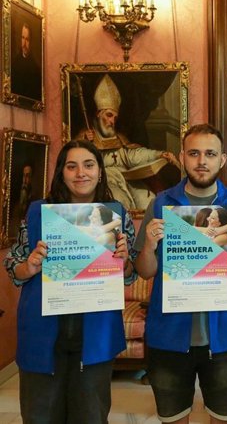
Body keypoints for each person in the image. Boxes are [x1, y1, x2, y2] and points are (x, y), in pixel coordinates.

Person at [133, 123, 227, 424]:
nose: (201, 161)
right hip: (169, 335)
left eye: (210, 153)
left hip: (225, 338)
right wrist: (148, 246)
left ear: (223, 160)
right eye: (194, 153)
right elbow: (144, 272)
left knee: (224, 418)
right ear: (182, 157)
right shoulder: (161, 203)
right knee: (173, 419)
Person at [3, 140, 136, 423]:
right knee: (40, 414)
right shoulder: (38, 212)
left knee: (90, 414)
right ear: (61, 172)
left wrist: (123, 262)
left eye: (88, 165)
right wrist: (31, 265)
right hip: (42, 330)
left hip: (96, 331)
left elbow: (131, 272)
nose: (80, 173)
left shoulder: (116, 214)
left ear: (100, 171)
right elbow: (13, 266)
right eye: (71, 166)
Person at [75, 74, 180, 210]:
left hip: (127, 180)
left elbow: (134, 155)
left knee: (147, 199)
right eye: (109, 115)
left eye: (115, 117)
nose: (112, 121)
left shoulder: (119, 138)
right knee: (119, 201)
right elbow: (76, 162)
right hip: (104, 182)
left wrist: (159, 154)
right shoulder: (86, 137)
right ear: (98, 114)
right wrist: (84, 143)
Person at [11, 22, 41, 101]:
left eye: (27, 39)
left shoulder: (36, 69)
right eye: (23, 38)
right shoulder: (14, 65)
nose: (24, 43)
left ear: (31, 41)